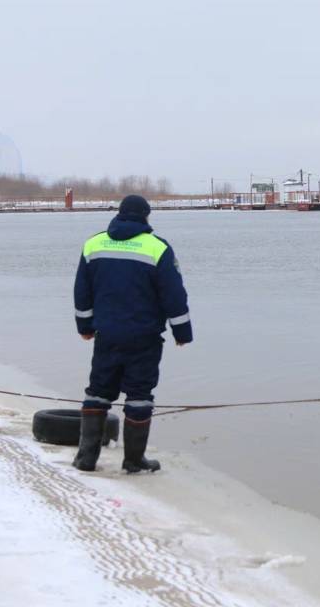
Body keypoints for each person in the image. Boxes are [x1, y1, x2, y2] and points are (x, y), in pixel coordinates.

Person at [72, 195, 193, 473]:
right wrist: (182, 332)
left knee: (98, 392)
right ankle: (134, 460)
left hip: (106, 335)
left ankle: (86, 458)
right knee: (139, 395)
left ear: (119, 213)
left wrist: (85, 327)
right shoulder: (157, 248)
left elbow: (82, 292)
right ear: (146, 217)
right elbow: (174, 295)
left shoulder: (94, 244)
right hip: (144, 337)